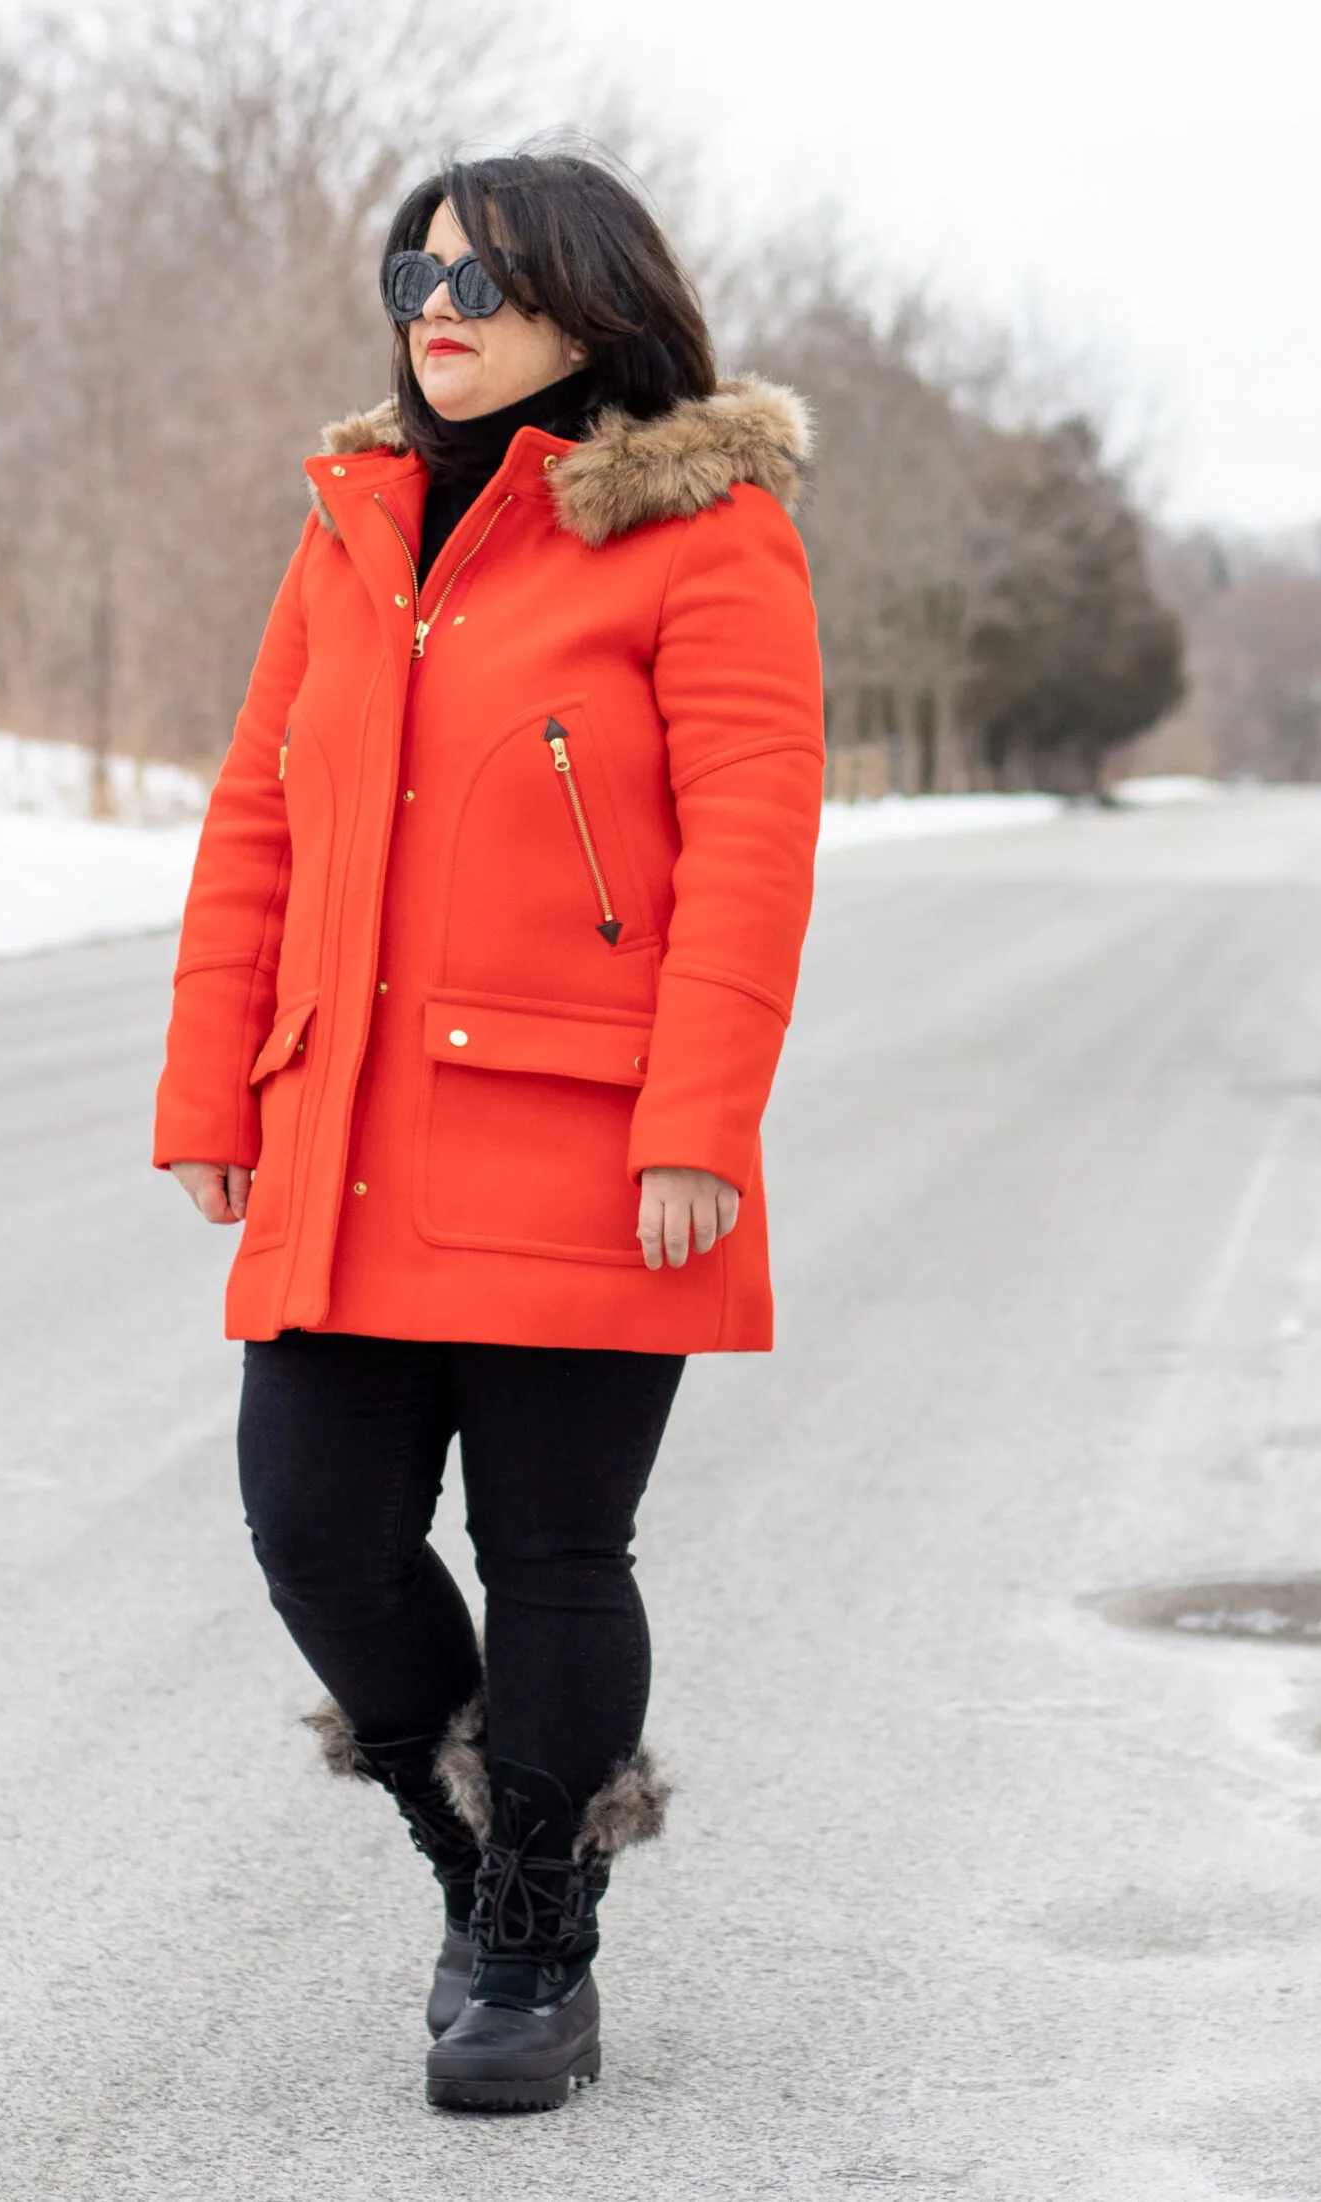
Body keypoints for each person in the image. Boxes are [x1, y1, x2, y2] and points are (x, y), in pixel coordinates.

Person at [153, 148, 824, 2113]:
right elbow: (259, 817)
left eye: (482, 274)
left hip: (584, 1136)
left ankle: (535, 1948)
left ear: (591, 300)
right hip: (340, 1137)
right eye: (412, 268)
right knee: (319, 1536)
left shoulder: (707, 538)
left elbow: (751, 856)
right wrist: (213, 1087)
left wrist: (697, 1116)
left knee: (549, 1552)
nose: (434, 304)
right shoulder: (351, 523)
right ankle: (481, 1871)